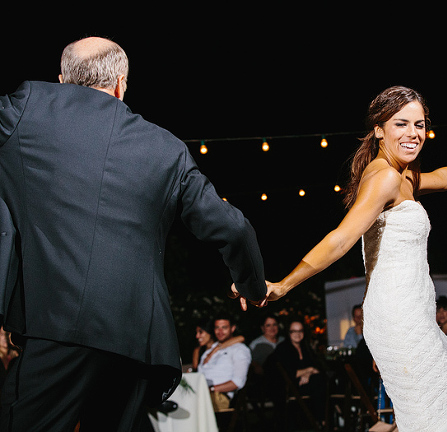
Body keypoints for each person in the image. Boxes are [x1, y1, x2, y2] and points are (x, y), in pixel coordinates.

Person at [0, 36, 267, 431]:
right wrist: (251, 285)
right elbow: (232, 226)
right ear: (121, 84)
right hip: (139, 338)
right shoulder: (167, 148)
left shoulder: (26, 108)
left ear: (61, 79)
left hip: (59, 326)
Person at [255, 86, 447, 431]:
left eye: (420, 124)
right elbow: (340, 240)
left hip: (413, 316)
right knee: (436, 416)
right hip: (400, 318)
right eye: (401, 124)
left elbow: (441, 178)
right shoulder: (384, 176)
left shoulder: (401, 176)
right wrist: (283, 284)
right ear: (379, 130)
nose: (414, 133)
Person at [266, 319, 327, 427]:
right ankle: (322, 420)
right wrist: (310, 370)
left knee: (323, 380)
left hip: (308, 383)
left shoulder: (306, 347)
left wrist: (308, 373)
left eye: (300, 331)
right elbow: (290, 373)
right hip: (289, 387)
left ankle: (325, 418)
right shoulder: (283, 349)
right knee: (318, 381)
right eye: (294, 331)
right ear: (288, 333)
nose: (297, 334)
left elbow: (319, 367)